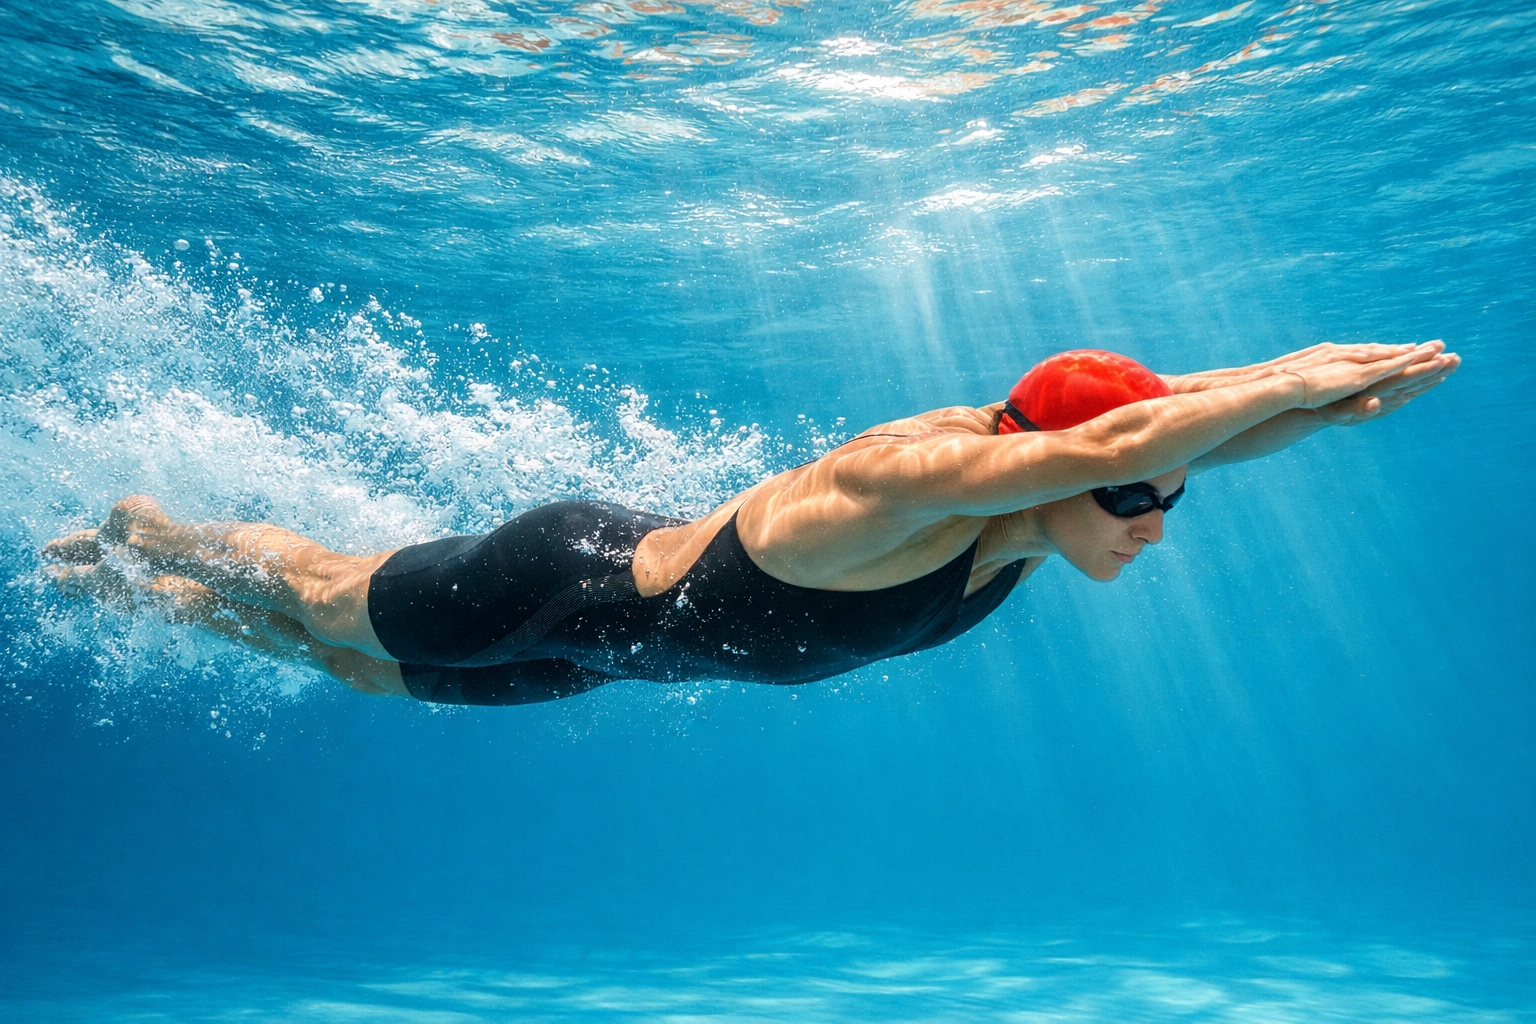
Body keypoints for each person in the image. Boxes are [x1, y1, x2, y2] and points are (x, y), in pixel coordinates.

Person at [43, 341, 1458, 705]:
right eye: (1138, 497)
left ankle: (153, 595)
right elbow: (1135, 438)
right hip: (564, 586)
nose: (1159, 522)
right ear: (1051, 468)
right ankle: (166, 532)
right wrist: (1284, 382)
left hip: (613, 657)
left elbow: (1160, 432)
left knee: (359, 674)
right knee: (332, 595)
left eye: (1173, 498)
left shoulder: (1029, 525)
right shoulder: (890, 494)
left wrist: (1315, 405)